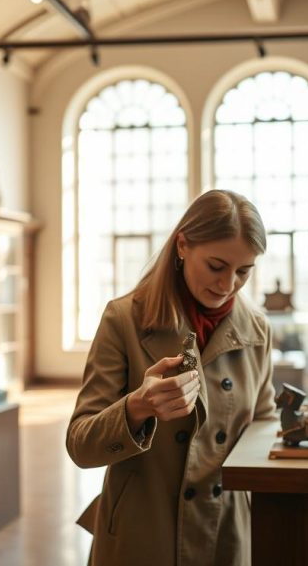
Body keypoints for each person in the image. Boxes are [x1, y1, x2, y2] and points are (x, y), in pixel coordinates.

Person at [66, 189, 277, 566]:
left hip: (224, 532)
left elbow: (264, 421)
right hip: (142, 534)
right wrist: (136, 408)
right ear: (182, 245)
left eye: (243, 271)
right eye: (216, 266)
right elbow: (80, 444)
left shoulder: (257, 329)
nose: (228, 284)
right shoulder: (123, 319)